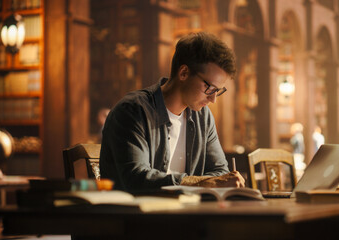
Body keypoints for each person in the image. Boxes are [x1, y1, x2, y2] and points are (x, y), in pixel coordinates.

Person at [100, 32, 245, 191]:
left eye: (218, 90)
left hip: (186, 212)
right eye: (209, 88)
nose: (213, 99)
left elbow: (220, 173)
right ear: (183, 73)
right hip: (136, 213)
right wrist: (199, 182)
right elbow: (136, 178)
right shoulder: (133, 111)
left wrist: (217, 181)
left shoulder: (203, 117)